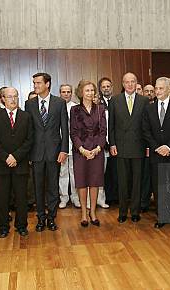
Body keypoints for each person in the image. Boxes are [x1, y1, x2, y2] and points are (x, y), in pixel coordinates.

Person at [24, 72, 69, 232]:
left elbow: (65, 128)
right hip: (36, 153)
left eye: (38, 83)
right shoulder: (29, 104)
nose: (35, 86)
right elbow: (28, 132)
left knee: (52, 187)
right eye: (34, 83)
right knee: (38, 188)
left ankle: (51, 218)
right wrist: (27, 153)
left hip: (54, 153)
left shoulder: (59, 103)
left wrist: (64, 150)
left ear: (47, 84)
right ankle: (41, 218)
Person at [0, 87, 33, 238]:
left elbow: (29, 140)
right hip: (1, 165)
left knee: (21, 197)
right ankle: (3, 227)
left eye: (15, 96)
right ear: (3, 99)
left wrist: (16, 157)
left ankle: (21, 225)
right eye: (9, 97)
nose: (13, 100)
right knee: (2, 198)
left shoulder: (26, 116)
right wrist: (6, 157)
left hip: (20, 164)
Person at [142, 77, 170, 228]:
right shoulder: (149, 108)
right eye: (156, 88)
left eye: (161, 88)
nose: (157, 91)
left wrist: (168, 147)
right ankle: (162, 216)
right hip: (156, 154)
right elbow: (146, 131)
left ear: (168, 89)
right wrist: (157, 147)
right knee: (159, 186)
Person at [108, 72, 148, 223]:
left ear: (136, 83)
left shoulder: (144, 101)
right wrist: (112, 143)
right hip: (121, 147)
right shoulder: (115, 100)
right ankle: (123, 212)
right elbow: (111, 125)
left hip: (138, 147)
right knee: (123, 182)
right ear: (123, 84)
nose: (130, 84)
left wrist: (147, 146)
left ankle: (135, 212)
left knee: (137, 181)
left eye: (133, 82)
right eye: (127, 82)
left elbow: (146, 126)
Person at [70, 80, 107, 227]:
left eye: (92, 90)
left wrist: (98, 148)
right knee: (82, 182)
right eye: (87, 90)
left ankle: (93, 212)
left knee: (94, 182)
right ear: (81, 93)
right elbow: (73, 133)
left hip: (96, 151)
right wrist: (82, 149)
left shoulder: (100, 109)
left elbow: (103, 131)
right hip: (81, 152)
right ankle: (84, 213)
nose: (90, 93)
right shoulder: (75, 110)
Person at [58, 84, 80, 208]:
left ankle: (75, 197)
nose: (66, 94)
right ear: (60, 93)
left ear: (71, 93)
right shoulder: (55, 106)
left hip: (74, 146)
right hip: (61, 146)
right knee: (62, 173)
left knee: (75, 172)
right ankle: (64, 198)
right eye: (63, 92)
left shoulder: (76, 108)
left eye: (68, 91)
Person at [98, 77, 118, 204]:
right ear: (100, 89)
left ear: (112, 87)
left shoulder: (117, 101)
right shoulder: (98, 104)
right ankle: (104, 198)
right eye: (103, 86)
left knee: (116, 172)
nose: (106, 88)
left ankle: (115, 197)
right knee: (103, 173)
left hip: (117, 142)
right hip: (103, 144)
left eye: (108, 86)